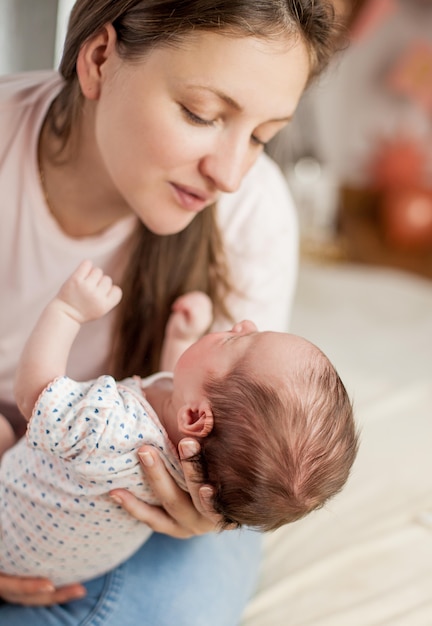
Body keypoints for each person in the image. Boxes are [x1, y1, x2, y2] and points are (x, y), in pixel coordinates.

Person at [0, 0, 345, 623]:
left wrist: (206, 514)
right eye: (201, 114)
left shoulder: (253, 212)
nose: (232, 174)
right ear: (100, 59)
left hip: (128, 502)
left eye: (263, 137)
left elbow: (245, 429)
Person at [1, 260, 357, 586]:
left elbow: (35, 397)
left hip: (10, 527)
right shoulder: (199, 467)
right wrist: (181, 339)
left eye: (236, 340)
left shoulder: (112, 425)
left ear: (196, 417)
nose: (243, 323)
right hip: (58, 564)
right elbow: (178, 392)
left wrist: (68, 311)